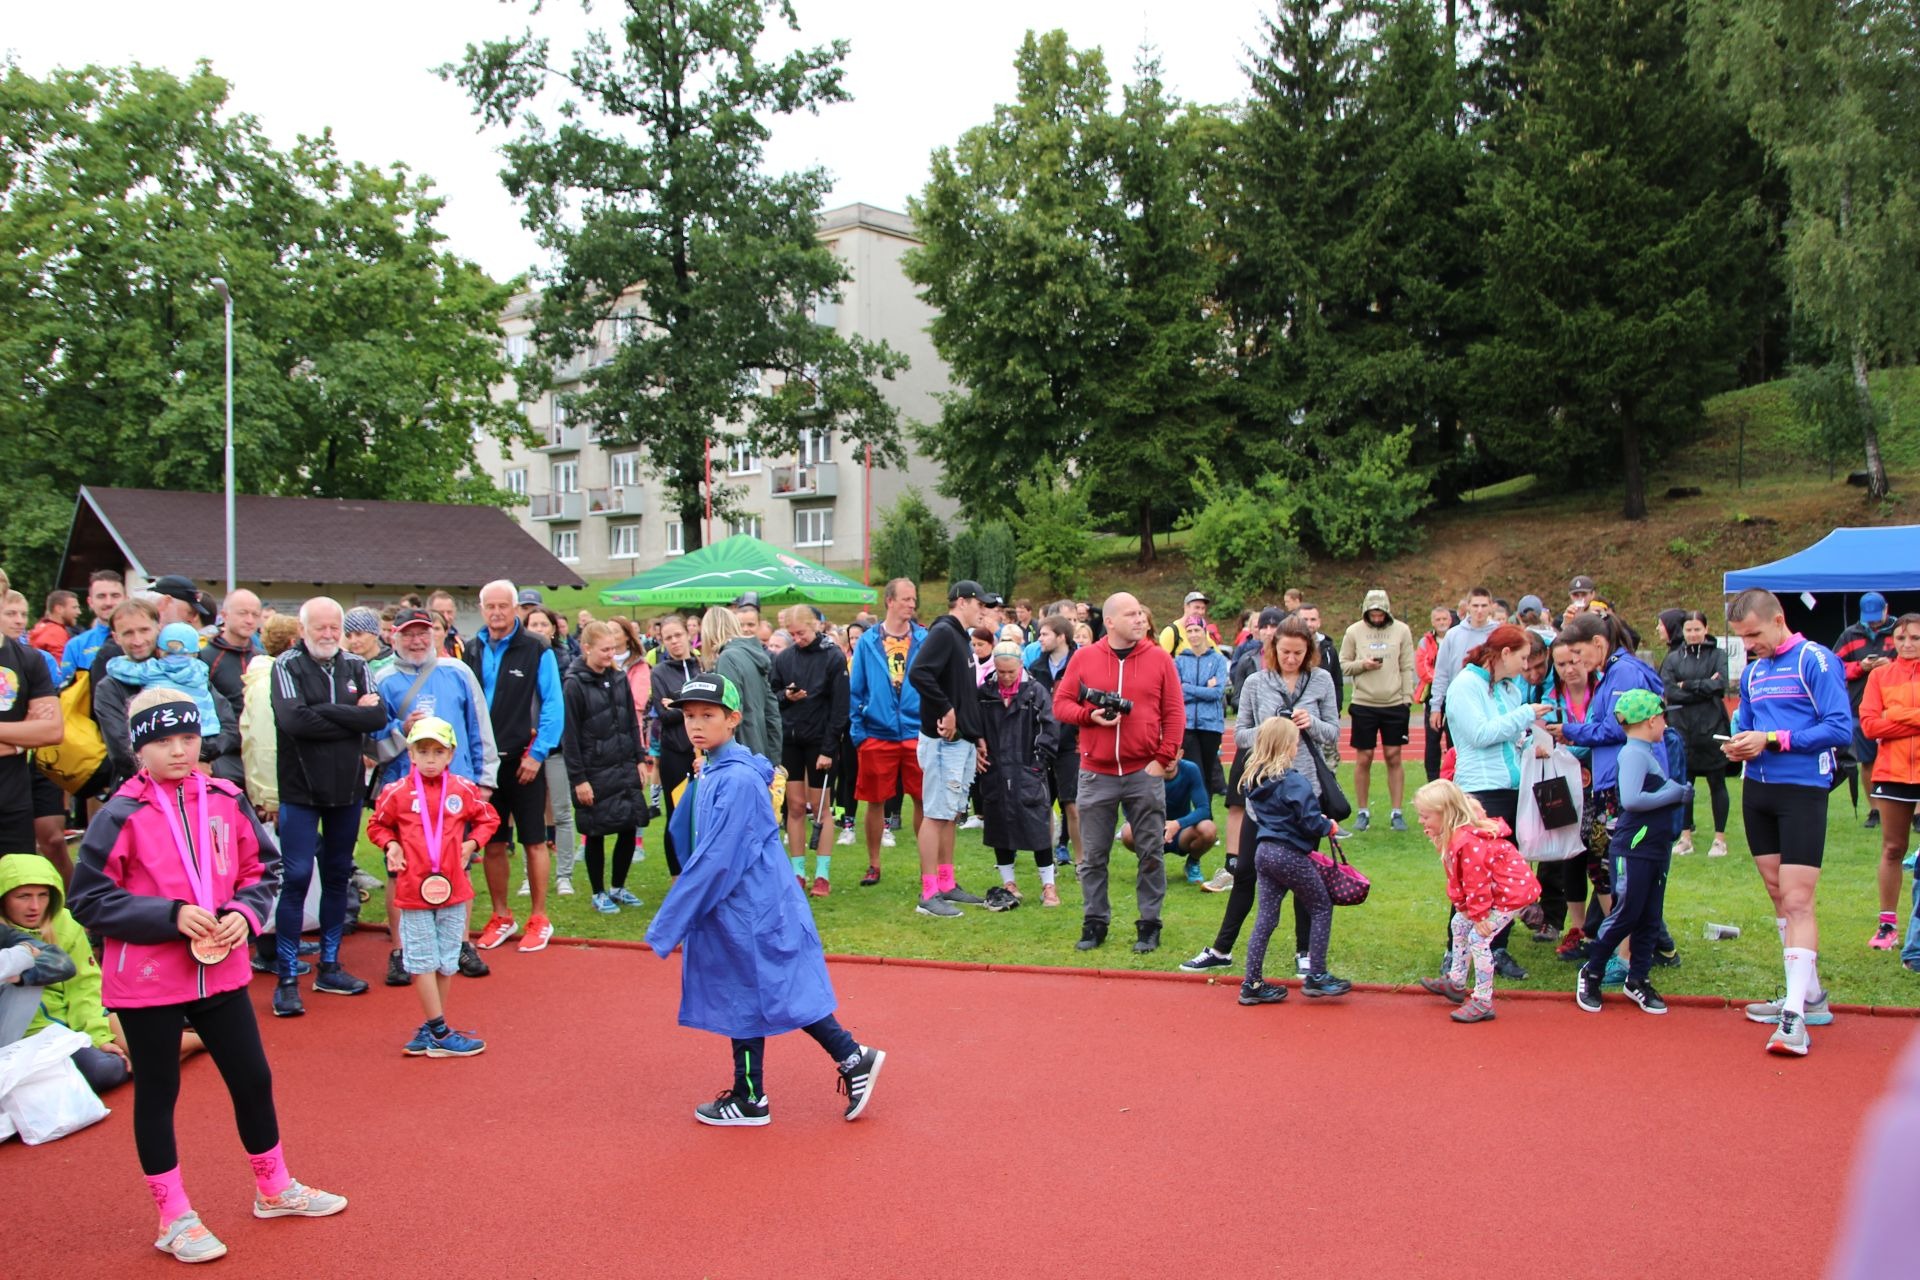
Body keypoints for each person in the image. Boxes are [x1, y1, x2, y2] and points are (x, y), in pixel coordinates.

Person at [68, 688, 345, 1265]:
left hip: (220, 970)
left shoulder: (224, 797)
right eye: (163, 742)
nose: (178, 751)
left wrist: (245, 912)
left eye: (188, 739)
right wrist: (167, 915)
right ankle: (173, 1217)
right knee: (158, 1092)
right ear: (138, 749)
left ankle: (274, 1188)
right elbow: (88, 898)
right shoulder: (119, 814)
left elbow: (263, 869)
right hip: (148, 979)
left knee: (253, 1078)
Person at [643, 673, 885, 1126]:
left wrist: (670, 921)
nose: (696, 724)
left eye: (707, 715)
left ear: (733, 719)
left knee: (774, 991)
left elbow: (718, 857)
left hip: (751, 906)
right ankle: (759, 1092)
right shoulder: (715, 769)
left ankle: (841, 1060)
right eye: (689, 716)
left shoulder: (736, 779)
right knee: (754, 994)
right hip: (741, 905)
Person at [1724, 588, 1855, 1056]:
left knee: (1798, 900)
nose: (1749, 646)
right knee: (1778, 893)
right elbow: (1749, 724)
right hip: (1758, 791)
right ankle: (1809, 996)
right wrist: (1739, 743)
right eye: (1741, 638)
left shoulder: (1814, 660)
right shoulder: (1754, 671)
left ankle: (1795, 1017)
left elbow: (1840, 728)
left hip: (1802, 790)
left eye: (1754, 635)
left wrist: (1773, 739)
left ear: (1779, 619)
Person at [1182, 618, 1336, 972]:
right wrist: (1271, 731)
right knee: (1246, 871)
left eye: (1299, 653)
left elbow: (1333, 732)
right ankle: (1221, 949)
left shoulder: (1321, 681)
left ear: (1309, 652)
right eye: (1285, 652)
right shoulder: (1255, 682)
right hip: (1263, 795)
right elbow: (1240, 735)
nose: (1291, 659)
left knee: (1306, 876)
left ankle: (1305, 952)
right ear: (1272, 649)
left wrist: (1310, 723)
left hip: (1305, 793)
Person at [267, 597, 389, 1016]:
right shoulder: (286, 665)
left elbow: (377, 719)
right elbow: (292, 721)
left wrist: (322, 713)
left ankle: (330, 966)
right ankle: (286, 978)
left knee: (338, 875)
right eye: (319, 627)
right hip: (300, 791)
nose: (328, 634)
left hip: (346, 791)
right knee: (297, 876)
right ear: (302, 630)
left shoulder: (356, 665)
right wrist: (349, 716)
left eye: (335, 627)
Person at [371, 606, 498, 986]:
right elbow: (372, 739)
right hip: (404, 790)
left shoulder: (458, 672)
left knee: (460, 864)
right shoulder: (382, 679)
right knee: (399, 869)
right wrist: (400, 728)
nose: (417, 641)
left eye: (423, 633)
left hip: (455, 789)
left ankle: (460, 944)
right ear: (394, 637)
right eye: (409, 634)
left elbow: (479, 724)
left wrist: (485, 778)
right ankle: (400, 950)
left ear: (435, 635)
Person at [1052, 591, 1185, 954]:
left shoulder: (1159, 658)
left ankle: (1149, 924)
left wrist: (1162, 759)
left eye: (1140, 612)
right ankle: (1094, 922)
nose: (1140, 619)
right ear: (1109, 622)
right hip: (1096, 772)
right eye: (1131, 614)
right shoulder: (1085, 658)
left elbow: (1175, 714)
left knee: (1151, 852)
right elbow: (1061, 704)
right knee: (1093, 855)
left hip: (1144, 771)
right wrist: (1088, 715)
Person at [370, 716, 500, 1058]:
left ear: (450, 754)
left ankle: (433, 1028)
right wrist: (391, 845)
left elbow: (489, 818)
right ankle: (440, 1032)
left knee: (447, 961)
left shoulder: (462, 789)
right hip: (413, 891)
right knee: (423, 960)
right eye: (423, 751)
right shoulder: (396, 792)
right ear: (411, 754)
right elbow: (378, 825)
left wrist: (472, 844)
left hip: (453, 889)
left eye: (438, 752)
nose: (430, 759)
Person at [1442, 622, 1552, 981]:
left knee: (1506, 875)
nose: (1526, 666)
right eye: (1523, 657)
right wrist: (1525, 714)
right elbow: (1479, 734)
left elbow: (1511, 737)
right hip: (1480, 792)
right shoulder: (1465, 686)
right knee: (1474, 875)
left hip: (1511, 789)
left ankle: (1497, 947)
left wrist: (1530, 744)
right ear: (1505, 653)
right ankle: (1455, 951)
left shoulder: (1508, 689)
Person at [464, 581, 564, 955]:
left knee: (534, 840)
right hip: (485, 765)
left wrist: (537, 754)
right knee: (492, 843)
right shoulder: (471, 648)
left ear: (515, 608)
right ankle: (501, 915)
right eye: (490, 606)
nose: (496, 613)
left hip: (524, 760)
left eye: (503, 606)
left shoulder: (537, 648)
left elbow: (553, 703)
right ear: (481, 608)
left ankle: (539, 917)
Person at [1574, 690, 1686, 1016]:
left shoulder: (1645, 752)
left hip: (1653, 846)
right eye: (1663, 717)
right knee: (1628, 912)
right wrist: (1675, 793)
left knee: (1650, 915)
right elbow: (1632, 800)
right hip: (1635, 847)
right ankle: (1592, 972)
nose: (1665, 724)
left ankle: (1638, 978)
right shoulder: (1634, 754)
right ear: (1650, 720)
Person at [1233, 716, 1350, 1006]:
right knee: (1320, 906)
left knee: (1266, 917)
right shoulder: (1295, 782)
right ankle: (1317, 973)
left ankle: (1252, 981)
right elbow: (1310, 821)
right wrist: (1328, 825)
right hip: (1289, 854)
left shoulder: (1254, 780)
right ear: (1287, 746)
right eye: (1295, 743)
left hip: (1264, 851)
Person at [1413, 779, 1543, 1023]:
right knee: (1459, 923)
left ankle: (1482, 1001)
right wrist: (1464, 908)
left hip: (1511, 894)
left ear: (1446, 814)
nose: (1421, 821)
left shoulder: (1468, 842)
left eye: (1426, 816)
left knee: (1478, 938)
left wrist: (1480, 916)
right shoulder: (1455, 837)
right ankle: (1456, 982)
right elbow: (1457, 876)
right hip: (1500, 891)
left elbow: (1476, 883)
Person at [0, 853, 129, 1092]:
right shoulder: (4, 933)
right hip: (19, 1039)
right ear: (3, 897)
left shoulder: (65, 923)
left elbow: (84, 985)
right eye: (23, 896)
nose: (35, 906)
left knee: (110, 1066)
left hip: (67, 1027)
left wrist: (97, 1037)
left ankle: (198, 1040)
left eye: (43, 895)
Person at [906, 580, 992, 917]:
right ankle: (929, 893)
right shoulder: (943, 632)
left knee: (951, 814)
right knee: (936, 814)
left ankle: (946, 883)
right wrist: (946, 709)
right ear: (962, 601)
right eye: (979, 603)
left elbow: (963, 692)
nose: (983, 610)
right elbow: (919, 673)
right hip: (943, 742)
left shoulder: (960, 636)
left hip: (961, 740)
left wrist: (975, 733)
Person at [94, 601, 238, 793]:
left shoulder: (188, 672)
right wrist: (184, 768)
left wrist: (195, 759)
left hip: (199, 786)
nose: (138, 640)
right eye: (128, 633)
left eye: (144, 630)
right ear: (116, 638)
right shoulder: (109, 688)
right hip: (143, 792)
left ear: (158, 629)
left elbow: (228, 728)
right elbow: (123, 751)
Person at [563, 620, 648, 913]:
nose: (610, 655)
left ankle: (618, 886)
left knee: (629, 825)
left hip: (624, 763)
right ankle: (598, 891)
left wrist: (640, 758)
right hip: (594, 768)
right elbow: (570, 736)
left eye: (613, 649)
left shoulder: (619, 678)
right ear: (587, 648)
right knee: (595, 830)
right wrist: (579, 779)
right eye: (604, 650)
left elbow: (631, 723)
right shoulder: (574, 684)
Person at [768, 606, 849, 896]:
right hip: (791, 740)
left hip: (820, 740)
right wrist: (786, 697)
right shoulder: (784, 658)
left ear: (815, 625)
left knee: (821, 808)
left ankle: (822, 875)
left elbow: (840, 707)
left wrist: (829, 748)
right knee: (795, 805)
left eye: (801, 633)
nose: (797, 639)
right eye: (792, 634)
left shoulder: (833, 657)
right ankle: (798, 872)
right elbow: (772, 695)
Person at [974, 640, 1062, 905]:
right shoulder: (985, 693)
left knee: (1037, 827)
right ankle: (1009, 883)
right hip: (996, 769)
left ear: (1021, 665)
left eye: (1011, 671)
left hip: (1028, 770)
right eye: (1001, 672)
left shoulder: (1036, 692)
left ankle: (1049, 886)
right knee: (999, 824)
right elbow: (975, 726)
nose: (1006, 677)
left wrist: (1037, 764)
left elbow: (1049, 729)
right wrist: (978, 749)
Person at [1861, 613, 1920, 960]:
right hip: (1893, 772)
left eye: (1915, 638)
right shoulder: (1880, 676)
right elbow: (1870, 726)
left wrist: (1894, 715)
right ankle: (1887, 925)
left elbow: (1883, 721)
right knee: (1893, 848)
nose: (1907, 644)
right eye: (1901, 638)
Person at [0, 591, 70, 875]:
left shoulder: (30, 659)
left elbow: (52, 730)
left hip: (12, 800)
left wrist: (24, 742)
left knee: (17, 882)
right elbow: (36, 732)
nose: (18, 620)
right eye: (12, 613)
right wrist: (21, 739)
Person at [1340, 589, 1416, 832]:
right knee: (1364, 757)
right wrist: (1363, 665)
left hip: (1394, 703)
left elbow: (1406, 666)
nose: (1376, 617)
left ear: (1387, 612)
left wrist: (1407, 698)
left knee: (1394, 755)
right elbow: (1343, 665)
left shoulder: (1402, 630)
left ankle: (1397, 812)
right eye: (1372, 613)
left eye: (1380, 613)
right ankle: (1363, 811)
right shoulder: (1354, 631)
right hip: (1364, 703)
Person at [1659, 610, 1731, 858]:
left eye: (1697, 629)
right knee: (1684, 785)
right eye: (1688, 630)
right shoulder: (1672, 658)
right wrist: (1704, 687)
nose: (1692, 634)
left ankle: (1719, 839)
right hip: (1683, 730)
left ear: (1706, 629)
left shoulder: (1718, 655)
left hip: (1713, 728)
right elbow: (1670, 691)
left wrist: (1688, 685)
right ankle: (1685, 837)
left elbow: (1720, 685)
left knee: (1717, 783)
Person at [520, 607, 579, 898]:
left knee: (562, 812)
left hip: (556, 748)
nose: (539, 629)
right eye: (534, 624)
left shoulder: (565, 660)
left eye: (544, 624)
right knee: (529, 815)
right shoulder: (519, 658)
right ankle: (528, 876)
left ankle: (564, 875)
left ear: (554, 629)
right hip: (526, 747)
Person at [1837, 591, 1899, 827]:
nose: (1873, 623)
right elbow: (1833, 667)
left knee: (1907, 759)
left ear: (1886, 609)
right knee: (1868, 760)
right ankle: (1875, 810)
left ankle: (1915, 812)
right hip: (1860, 707)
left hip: (1896, 707)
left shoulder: (1901, 632)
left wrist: (1891, 666)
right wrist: (1860, 667)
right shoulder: (1850, 635)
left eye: (1876, 617)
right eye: (1868, 618)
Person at [1027, 614, 1081, 871]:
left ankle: (1082, 862)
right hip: (1042, 744)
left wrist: (1073, 732)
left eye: (1045, 634)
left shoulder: (1080, 664)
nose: (1040, 639)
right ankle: (1048, 864)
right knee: (1043, 805)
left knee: (1073, 805)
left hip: (1071, 745)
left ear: (1061, 637)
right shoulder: (1036, 667)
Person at [649, 614, 702, 876]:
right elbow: (665, 714)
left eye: (678, 635)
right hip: (675, 751)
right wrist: (693, 707)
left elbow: (713, 707)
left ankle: (702, 872)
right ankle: (677, 875)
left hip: (704, 751)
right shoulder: (659, 672)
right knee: (677, 814)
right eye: (668, 638)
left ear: (688, 635)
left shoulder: (702, 667)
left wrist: (679, 704)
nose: (674, 641)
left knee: (703, 813)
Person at [1123, 747, 1217, 885]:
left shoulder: (1190, 769)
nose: (1169, 758)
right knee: (1127, 832)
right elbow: (1129, 808)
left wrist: (1177, 823)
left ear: (1180, 754)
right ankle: (1150, 863)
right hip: (1151, 829)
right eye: (1164, 753)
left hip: (1181, 831)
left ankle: (1193, 862)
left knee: (1208, 828)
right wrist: (1153, 826)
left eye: (1173, 752)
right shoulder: (1144, 771)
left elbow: (1204, 809)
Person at [701, 605, 781, 765]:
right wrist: (774, 759)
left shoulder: (728, 658)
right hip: (759, 750)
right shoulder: (751, 655)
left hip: (738, 754)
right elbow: (772, 712)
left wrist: (714, 756)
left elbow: (730, 714)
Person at [1174, 619, 1229, 801]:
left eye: (1197, 630)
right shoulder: (1180, 661)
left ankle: (1206, 812)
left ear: (1204, 632)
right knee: (1195, 770)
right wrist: (1204, 688)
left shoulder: (1218, 660)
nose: (1193, 635)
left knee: (1209, 771)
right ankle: (1201, 809)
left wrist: (1188, 687)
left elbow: (1217, 693)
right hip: (1188, 724)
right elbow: (1177, 693)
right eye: (1189, 631)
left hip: (1211, 724)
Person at [60, 569, 126, 683]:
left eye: (115, 596)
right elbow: (69, 690)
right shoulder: (76, 646)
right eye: (101, 596)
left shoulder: (144, 638)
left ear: (126, 599)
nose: (109, 602)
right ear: (90, 602)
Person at [199, 589, 263, 707]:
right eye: (242, 613)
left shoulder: (263, 658)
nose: (250, 620)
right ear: (224, 616)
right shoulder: (205, 658)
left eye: (255, 615)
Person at [1416, 604, 1452, 783]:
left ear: (1450, 620)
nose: (1442, 622)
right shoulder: (1425, 642)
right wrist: (1441, 680)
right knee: (1432, 739)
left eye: (1444, 619)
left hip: (1455, 695)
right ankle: (1432, 780)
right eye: (1438, 619)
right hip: (1433, 696)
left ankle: (1454, 777)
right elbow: (1422, 668)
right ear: (1432, 622)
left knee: (1454, 738)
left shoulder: (1456, 638)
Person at [1293, 603, 1344, 720]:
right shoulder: (1288, 647)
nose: (1309, 624)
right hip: (1295, 714)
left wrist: (1335, 710)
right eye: (1305, 620)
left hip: (1322, 715)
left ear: (1319, 622)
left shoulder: (1329, 649)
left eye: (1313, 619)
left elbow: (1337, 683)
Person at [29, 588, 80, 660]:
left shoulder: (40, 626)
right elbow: (63, 664)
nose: (79, 612)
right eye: (74, 607)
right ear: (59, 609)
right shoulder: (56, 633)